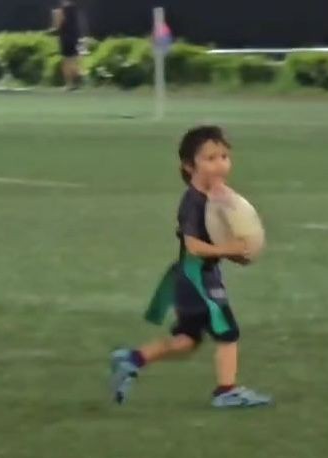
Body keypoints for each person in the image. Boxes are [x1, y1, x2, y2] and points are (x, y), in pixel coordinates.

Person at [110, 126, 272, 409]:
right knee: (228, 332)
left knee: (186, 340)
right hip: (197, 276)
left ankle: (132, 359)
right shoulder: (194, 204)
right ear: (189, 165)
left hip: (195, 276)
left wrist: (239, 254)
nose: (220, 163)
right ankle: (226, 391)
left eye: (224, 156)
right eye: (210, 158)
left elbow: (220, 240)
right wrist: (232, 249)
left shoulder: (215, 199)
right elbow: (196, 246)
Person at [51, 0, 82, 89]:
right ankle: (77, 83)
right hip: (75, 37)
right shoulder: (75, 9)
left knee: (66, 62)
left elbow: (57, 26)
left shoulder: (60, 10)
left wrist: (52, 30)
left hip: (65, 38)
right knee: (73, 60)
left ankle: (69, 84)